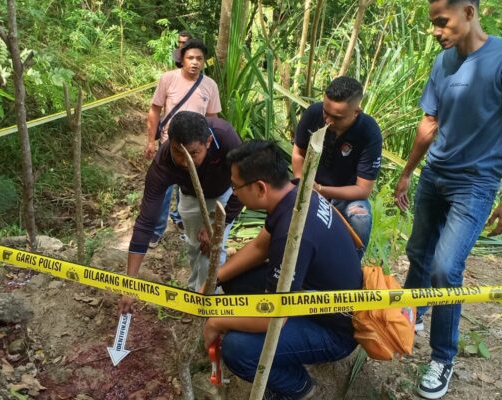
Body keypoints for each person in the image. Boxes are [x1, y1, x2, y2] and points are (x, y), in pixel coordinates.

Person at [393, 0, 502, 398]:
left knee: (444, 268)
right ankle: (412, 314)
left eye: (442, 21)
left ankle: (442, 357)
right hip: (434, 174)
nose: (436, 31)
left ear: (469, 12)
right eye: (432, 23)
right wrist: (407, 172)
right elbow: (429, 122)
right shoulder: (443, 63)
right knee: (419, 251)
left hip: (474, 184)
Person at [203, 140, 361, 400]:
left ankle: (297, 387)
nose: (234, 194)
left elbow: (272, 319)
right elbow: (258, 248)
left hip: (335, 332)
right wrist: (214, 280)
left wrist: (216, 321)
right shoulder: (297, 193)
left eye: (235, 187)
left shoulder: (293, 233)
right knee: (234, 281)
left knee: (236, 349)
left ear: (260, 187)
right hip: (313, 297)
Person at [119, 111, 242, 313]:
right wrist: (129, 283)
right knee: (195, 247)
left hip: (223, 197)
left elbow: (244, 183)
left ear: (209, 142)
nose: (186, 162)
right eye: (178, 152)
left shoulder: (225, 137)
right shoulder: (163, 163)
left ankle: (209, 308)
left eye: (193, 154)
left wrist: (218, 224)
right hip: (190, 197)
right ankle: (194, 291)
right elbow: (146, 221)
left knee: (210, 252)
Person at [292, 76, 382, 259]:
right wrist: (303, 182)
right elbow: (298, 153)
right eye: (326, 112)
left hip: (344, 195)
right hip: (309, 185)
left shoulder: (369, 132)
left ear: (356, 112)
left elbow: (363, 189)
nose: (327, 121)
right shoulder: (313, 114)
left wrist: (322, 191)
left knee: (361, 218)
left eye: (337, 117)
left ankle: (351, 266)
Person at [145, 38, 222, 248]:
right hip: (170, 144)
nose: (195, 62)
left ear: (204, 61)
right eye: (190, 57)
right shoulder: (168, 79)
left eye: (199, 58)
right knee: (163, 189)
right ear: (182, 58)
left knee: (190, 188)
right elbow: (155, 109)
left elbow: (213, 120)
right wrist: (151, 140)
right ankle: (156, 230)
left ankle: (182, 222)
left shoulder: (210, 86)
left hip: (195, 149)